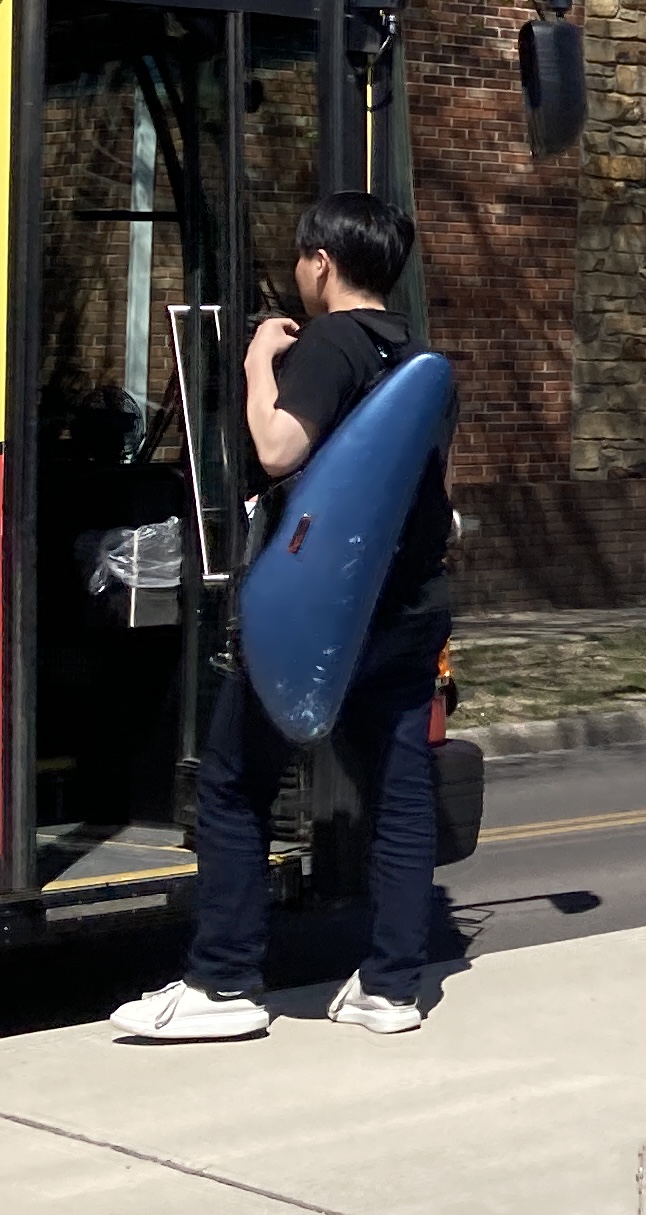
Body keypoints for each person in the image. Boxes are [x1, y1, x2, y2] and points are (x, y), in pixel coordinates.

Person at [110, 192, 457, 1042]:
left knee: (233, 781)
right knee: (402, 794)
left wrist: (259, 359)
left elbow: (277, 450)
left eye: (303, 259)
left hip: (323, 616)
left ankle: (224, 983)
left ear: (322, 265)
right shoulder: (416, 358)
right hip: (409, 610)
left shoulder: (331, 343)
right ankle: (392, 987)